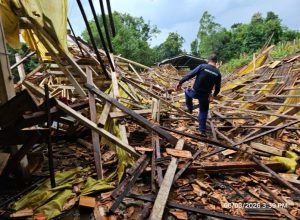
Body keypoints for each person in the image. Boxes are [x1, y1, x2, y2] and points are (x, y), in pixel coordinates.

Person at [176, 55, 221, 137]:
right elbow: (218, 88)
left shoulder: (202, 66)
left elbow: (189, 75)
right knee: (203, 111)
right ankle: (202, 130)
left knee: (186, 91)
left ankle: (190, 108)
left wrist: (180, 83)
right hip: (206, 95)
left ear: (208, 60)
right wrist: (213, 96)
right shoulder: (218, 73)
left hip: (195, 92)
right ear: (216, 62)